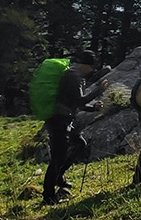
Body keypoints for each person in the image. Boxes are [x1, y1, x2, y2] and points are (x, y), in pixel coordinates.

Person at [43, 51, 106, 205]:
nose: (92, 70)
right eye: (91, 67)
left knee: (79, 144)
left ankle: (59, 176)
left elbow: (76, 102)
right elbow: (79, 101)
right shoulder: (73, 77)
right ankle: (49, 196)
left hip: (62, 119)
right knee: (58, 157)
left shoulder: (72, 75)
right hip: (59, 121)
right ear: (85, 65)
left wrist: (93, 108)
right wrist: (99, 90)